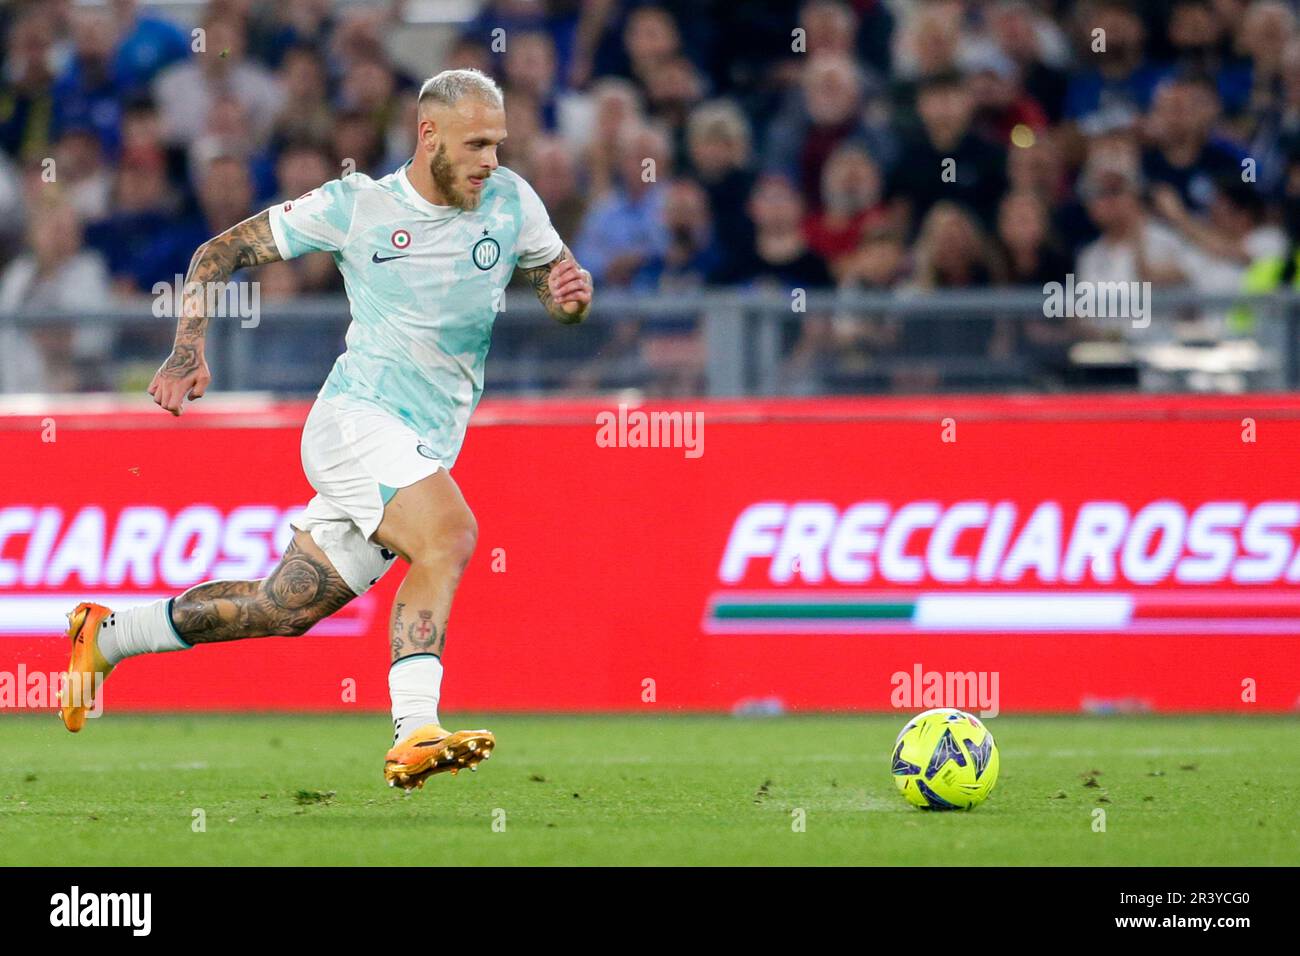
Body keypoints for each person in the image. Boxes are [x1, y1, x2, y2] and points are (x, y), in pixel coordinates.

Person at [57, 69, 595, 791]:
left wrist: (568, 296)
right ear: (427, 134)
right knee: (451, 534)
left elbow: (555, 283)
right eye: (476, 143)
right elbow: (218, 252)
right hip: (355, 421)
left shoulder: (509, 200)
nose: (491, 159)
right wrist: (188, 349)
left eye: (498, 143)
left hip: (425, 440)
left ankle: (109, 635)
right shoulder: (358, 206)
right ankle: (415, 731)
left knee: (284, 607)